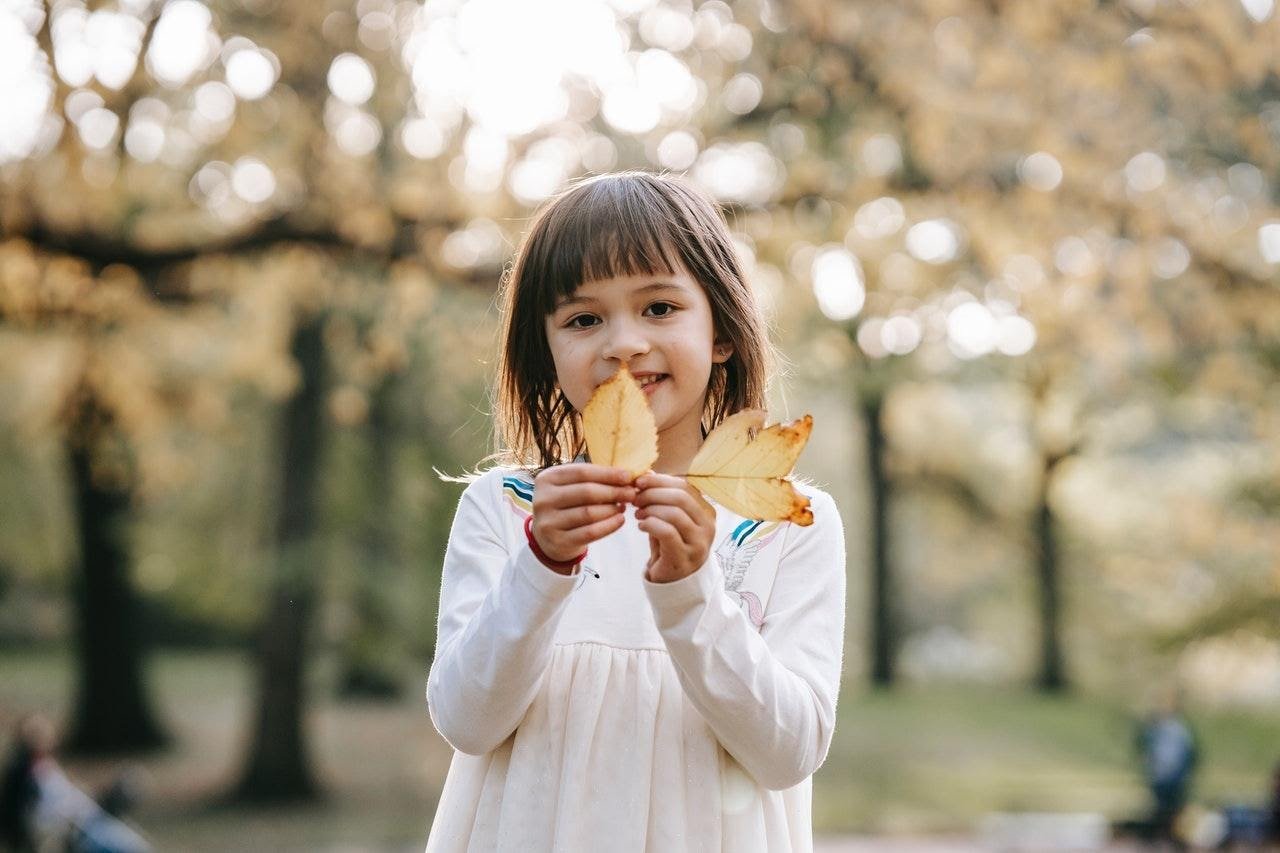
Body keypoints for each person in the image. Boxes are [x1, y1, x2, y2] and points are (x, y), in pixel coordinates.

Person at [423, 171, 847, 852]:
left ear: (722, 332)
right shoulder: (506, 510)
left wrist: (692, 592)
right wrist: (542, 565)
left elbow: (789, 751)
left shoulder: (784, 525)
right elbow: (466, 721)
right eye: (583, 318)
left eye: (658, 307)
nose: (622, 342)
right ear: (546, 352)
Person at [0, 715, 150, 853]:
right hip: (81, 830)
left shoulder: (46, 767)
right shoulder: (28, 778)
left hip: (91, 818)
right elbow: (40, 817)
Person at [1134, 687, 1198, 849]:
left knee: (1173, 811)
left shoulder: (1180, 730)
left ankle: (1172, 839)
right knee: (1162, 810)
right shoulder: (1155, 729)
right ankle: (1159, 839)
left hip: (1174, 778)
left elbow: (1190, 754)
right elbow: (1143, 747)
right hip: (1161, 776)